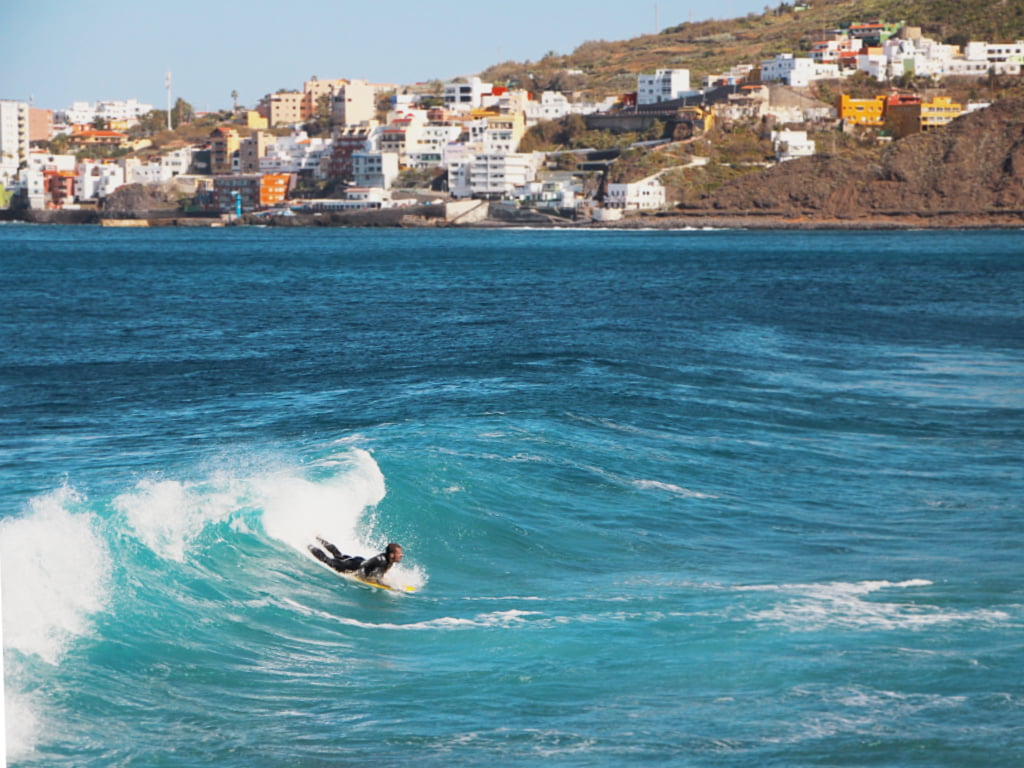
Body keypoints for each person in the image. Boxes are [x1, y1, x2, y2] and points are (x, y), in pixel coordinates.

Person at [309, 537, 403, 582]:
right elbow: (364, 565)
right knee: (328, 561)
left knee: (339, 555)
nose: (401, 555)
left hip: (358, 561)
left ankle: (319, 539)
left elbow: (378, 571)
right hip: (354, 565)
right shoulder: (380, 559)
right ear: (391, 555)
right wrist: (361, 577)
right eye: (399, 553)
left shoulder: (389, 561)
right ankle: (310, 546)